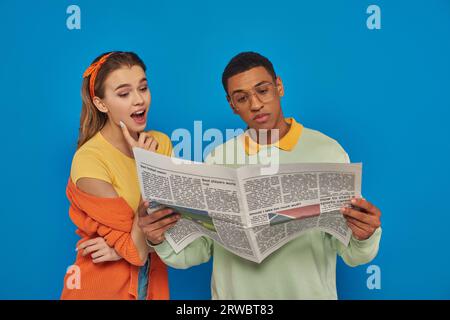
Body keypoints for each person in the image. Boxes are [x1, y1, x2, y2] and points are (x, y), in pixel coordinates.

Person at [136, 52, 382, 299]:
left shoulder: (328, 151)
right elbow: (197, 251)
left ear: (279, 86)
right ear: (232, 105)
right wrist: (159, 239)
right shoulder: (217, 159)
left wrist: (366, 234)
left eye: (262, 91)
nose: (255, 104)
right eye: (242, 98)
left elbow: (352, 253)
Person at [61, 51, 175, 300]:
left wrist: (118, 248)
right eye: (124, 94)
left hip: (152, 283)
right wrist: (148, 167)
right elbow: (137, 251)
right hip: (100, 287)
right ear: (101, 104)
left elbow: (170, 227)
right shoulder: (89, 160)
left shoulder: (161, 143)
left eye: (143, 88)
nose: (139, 100)